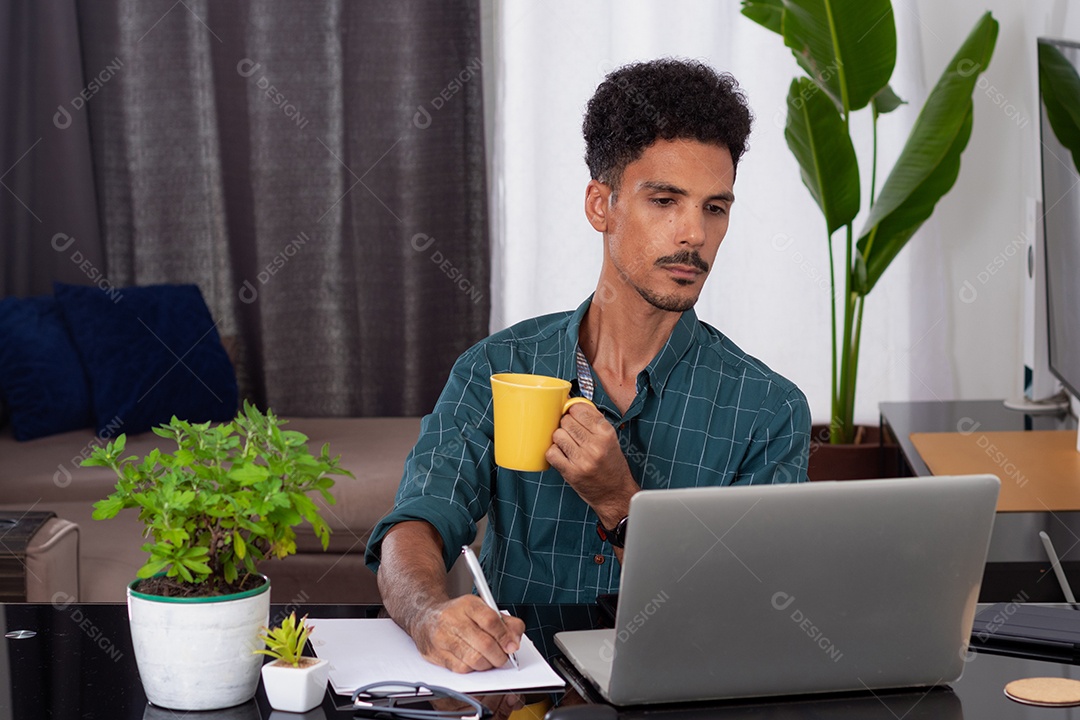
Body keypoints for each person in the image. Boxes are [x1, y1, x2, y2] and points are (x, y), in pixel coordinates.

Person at [365, 58, 811, 673]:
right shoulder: (497, 366)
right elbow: (415, 523)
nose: (693, 235)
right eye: (664, 200)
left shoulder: (768, 410)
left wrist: (621, 504)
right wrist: (428, 615)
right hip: (520, 698)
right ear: (601, 205)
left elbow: (747, 613)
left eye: (715, 208)